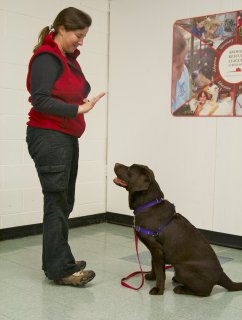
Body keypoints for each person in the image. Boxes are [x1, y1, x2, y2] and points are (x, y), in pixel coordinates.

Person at [26, 7, 105, 287]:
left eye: (84, 36)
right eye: (78, 35)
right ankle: (61, 269)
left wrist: (78, 107)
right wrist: (78, 108)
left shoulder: (65, 57)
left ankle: (60, 260)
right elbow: (40, 100)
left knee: (63, 201)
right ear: (61, 28)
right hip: (49, 136)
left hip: (64, 136)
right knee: (57, 202)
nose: (81, 41)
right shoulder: (46, 58)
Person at [171, 26, 190, 113]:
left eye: (184, 61)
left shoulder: (184, 71)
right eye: (178, 66)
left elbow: (186, 105)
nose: (183, 69)